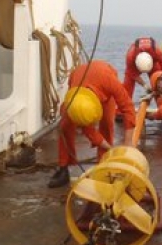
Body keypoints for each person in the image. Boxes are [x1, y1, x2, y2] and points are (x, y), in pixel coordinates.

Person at [49, 60, 136, 188]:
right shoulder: (74, 82)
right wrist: (110, 147)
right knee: (65, 126)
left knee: (106, 124)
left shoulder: (109, 81)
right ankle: (63, 168)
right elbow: (87, 128)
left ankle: (103, 166)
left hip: (104, 85)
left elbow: (128, 109)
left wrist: (128, 146)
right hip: (79, 95)